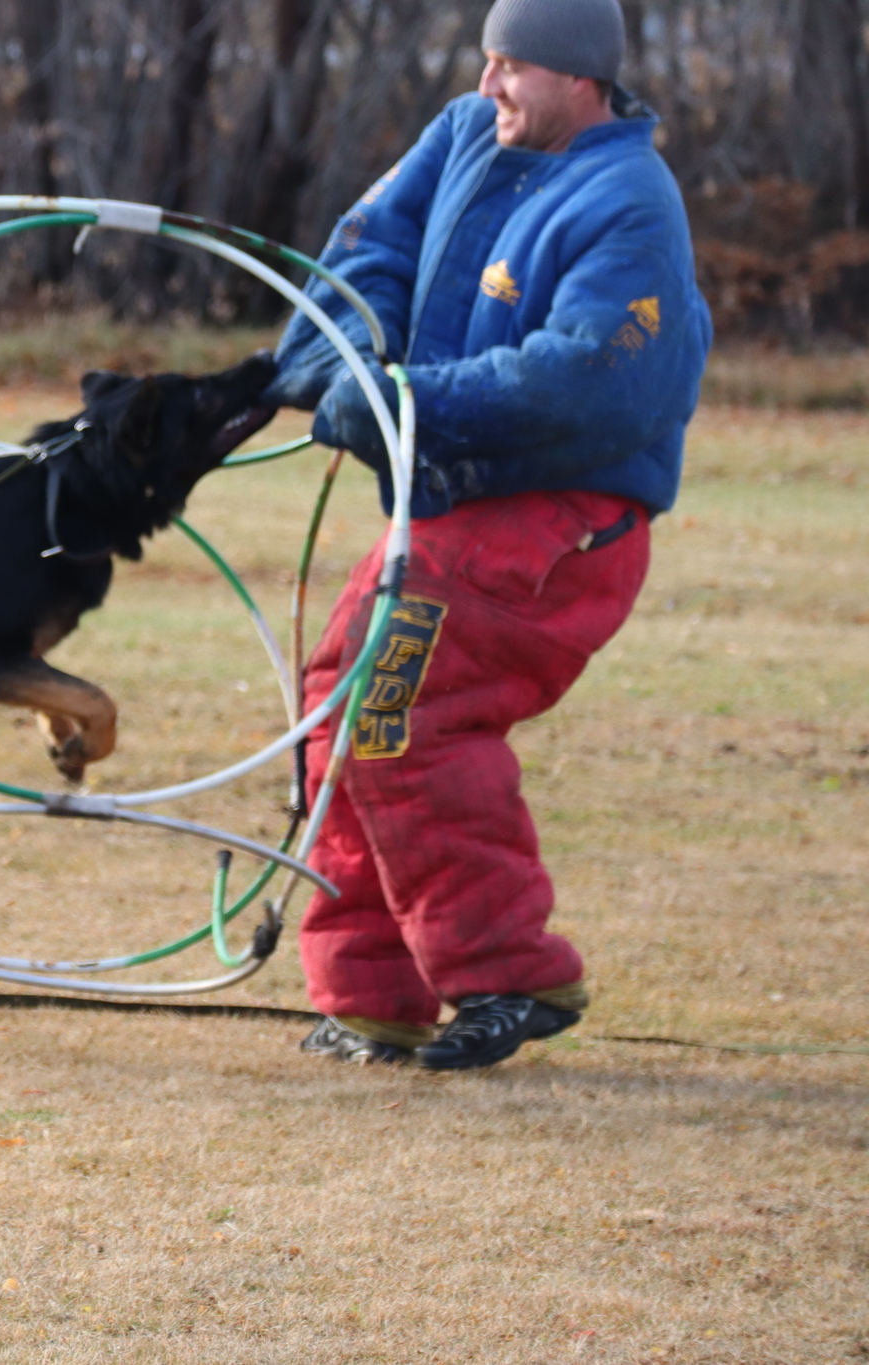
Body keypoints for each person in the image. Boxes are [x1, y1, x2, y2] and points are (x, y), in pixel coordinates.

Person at [261, 0, 712, 1069]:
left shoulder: (629, 202)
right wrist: (339, 372)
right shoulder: (463, 134)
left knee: (399, 708)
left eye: (511, 66)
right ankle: (374, 993)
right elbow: (363, 254)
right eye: (485, 60)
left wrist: (403, 400)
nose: (487, 85)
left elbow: (584, 381)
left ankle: (510, 973)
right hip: (449, 509)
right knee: (338, 710)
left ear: (580, 80)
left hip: (559, 521)